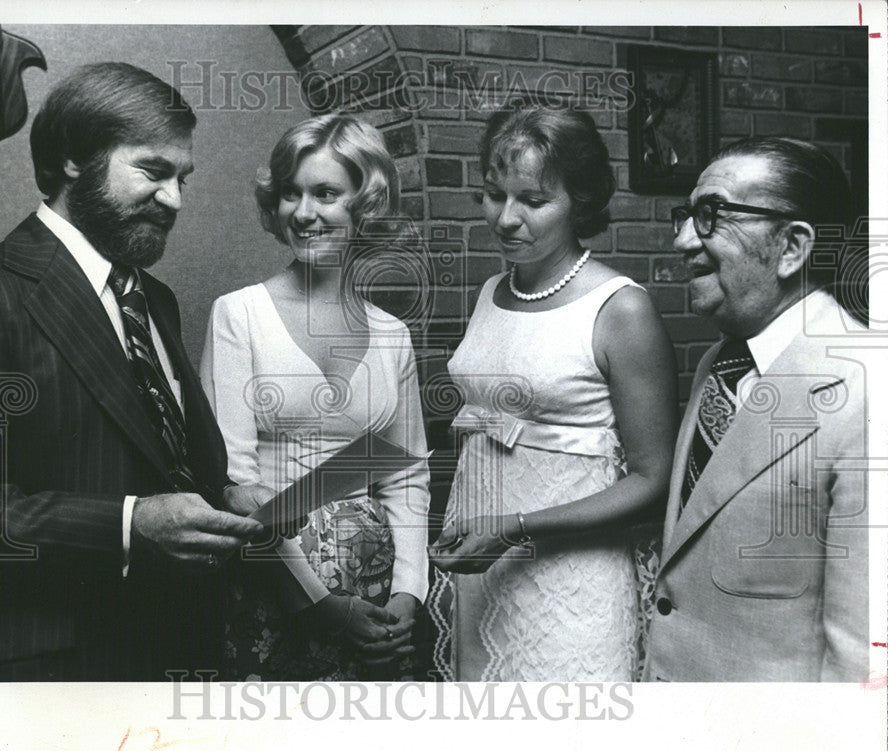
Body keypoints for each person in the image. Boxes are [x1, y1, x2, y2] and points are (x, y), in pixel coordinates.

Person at [0, 62, 266, 681]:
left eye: (182, 178)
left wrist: (227, 499)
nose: (174, 200)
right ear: (74, 159)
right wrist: (129, 525)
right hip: (46, 681)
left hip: (175, 664)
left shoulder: (155, 300)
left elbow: (160, 460)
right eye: (153, 172)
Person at [427, 106, 678, 682]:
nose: (506, 219)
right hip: (485, 571)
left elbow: (652, 480)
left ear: (580, 202)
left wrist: (516, 525)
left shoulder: (621, 308)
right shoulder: (492, 290)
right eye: (494, 195)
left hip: (573, 581)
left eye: (534, 201)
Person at [199, 113, 431, 680]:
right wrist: (319, 606)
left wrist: (408, 595)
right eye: (290, 194)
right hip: (273, 586)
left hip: (374, 591)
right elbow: (233, 486)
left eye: (326, 193)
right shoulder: (239, 314)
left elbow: (407, 476)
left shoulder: (392, 333)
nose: (304, 213)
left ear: (365, 203)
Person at [645, 136, 869, 682]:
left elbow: (860, 660)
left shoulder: (867, 392)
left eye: (710, 216)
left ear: (792, 247)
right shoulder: (719, 364)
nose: (681, 241)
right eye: (686, 216)